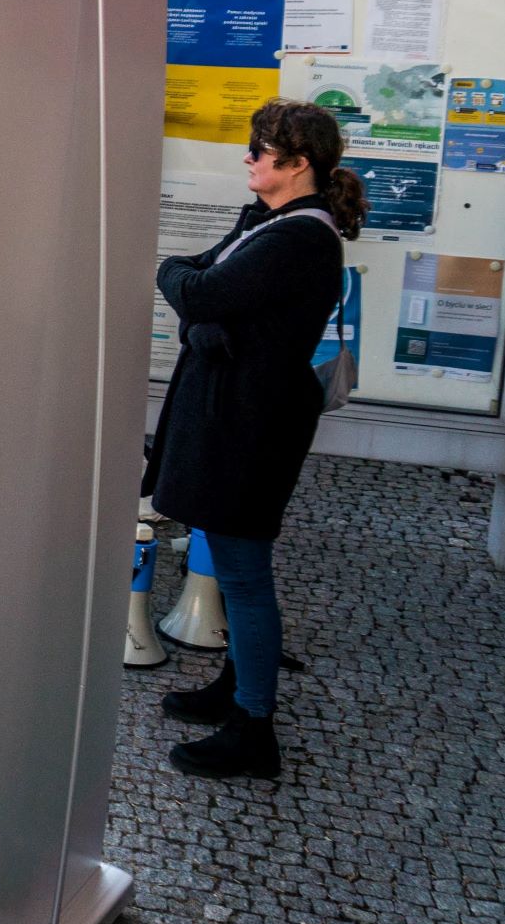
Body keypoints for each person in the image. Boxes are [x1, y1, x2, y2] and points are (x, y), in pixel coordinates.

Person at [148, 99, 362, 783]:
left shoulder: (300, 238)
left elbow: (197, 287)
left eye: (262, 150)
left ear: (299, 165)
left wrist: (198, 309)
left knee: (243, 574)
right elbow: (199, 286)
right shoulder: (266, 220)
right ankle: (233, 689)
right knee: (236, 563)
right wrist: (200, 316)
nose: (249, 157)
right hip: (236, 418)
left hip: (254, 429)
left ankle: (254, 727)